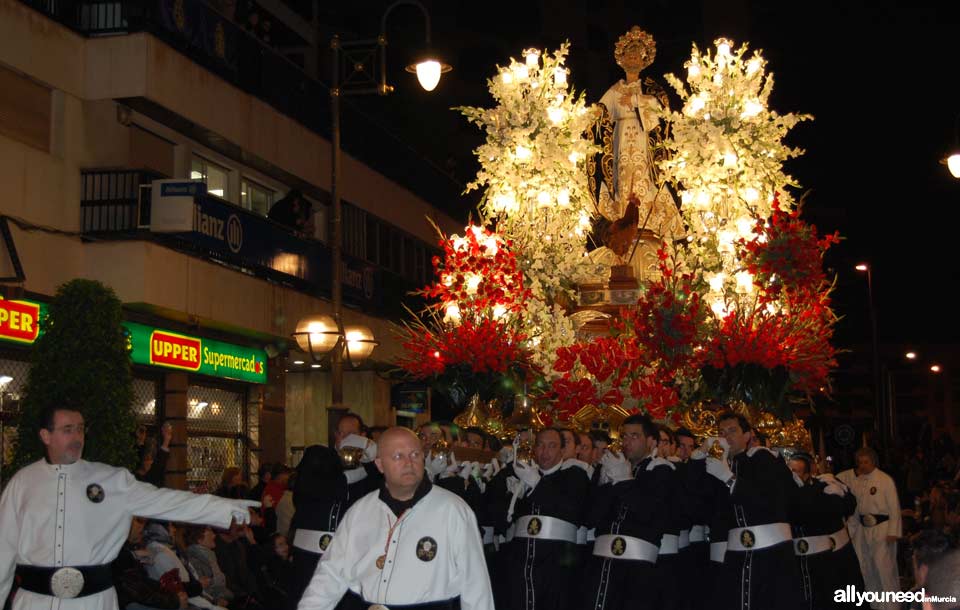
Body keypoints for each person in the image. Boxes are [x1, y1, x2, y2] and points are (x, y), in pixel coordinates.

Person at [0, 403, 258, 610]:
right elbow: (3, 549)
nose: (77, 437)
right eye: (67, 429)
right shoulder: (23, 483)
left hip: (94, 602)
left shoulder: (110, 480)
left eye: (80, 429)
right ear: (45, 435)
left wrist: (222, 508)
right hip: (34, 602)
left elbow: (167, 502)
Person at [297, 427, 494, 610]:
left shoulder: (453, 510)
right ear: (380, 465)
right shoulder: (360, 512)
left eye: (415, 455)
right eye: (398, 456)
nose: (409, 463)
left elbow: (475, 585)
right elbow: (330, 575)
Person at [707, 411, 805, 610]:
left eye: (732, 430)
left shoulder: (763, 458)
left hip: (771, 555)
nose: (726, 436)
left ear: (747, 435)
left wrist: (729, 479)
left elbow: (767, 499)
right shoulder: (721, 467)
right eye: (721, 432)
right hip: (736, 557)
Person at [595, 26, 681, 246]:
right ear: (622, 59)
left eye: (637, 55)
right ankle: (622, 222)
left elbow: (658, 112)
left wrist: (635, 102)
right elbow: (599, 113)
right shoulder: (615, 90)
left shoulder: (649, 89)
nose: (632, 59)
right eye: (629, 55)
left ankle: (647, 223)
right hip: (620, 139)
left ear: (644, 61)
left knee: (644, 176)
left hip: (642, 138)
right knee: (621, 176)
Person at [581, 414, 673, 610]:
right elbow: (590, 518)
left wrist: (624, 482)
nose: (627, 442)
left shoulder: (661, 471)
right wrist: (604, 483)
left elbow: (650, 514)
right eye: (624, 436)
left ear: (651, 441)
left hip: (638, 567)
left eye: (634, 436)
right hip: (601, 561)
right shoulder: (612, 467)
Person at [787, 452, 864, 610]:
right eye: (790, 471)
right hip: (801, 562)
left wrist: (838, 492)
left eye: (797, 471)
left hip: (829, 559)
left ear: (808, 474)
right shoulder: (784, 492)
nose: (792, 476)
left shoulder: (824, 486)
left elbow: (846, 506)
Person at [838, 447, 902, 610]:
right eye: (860, 462)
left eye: (866, 462)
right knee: (867, 567)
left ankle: (892, 605)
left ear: (873, 461)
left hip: (883, 528)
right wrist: (849, 533)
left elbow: (894, 507)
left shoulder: (884, 480)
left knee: (884, 567)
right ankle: (875, 604)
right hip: (863, 529)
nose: (863, 465)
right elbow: (855, 511)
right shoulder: (858, 482)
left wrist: (893, 532)